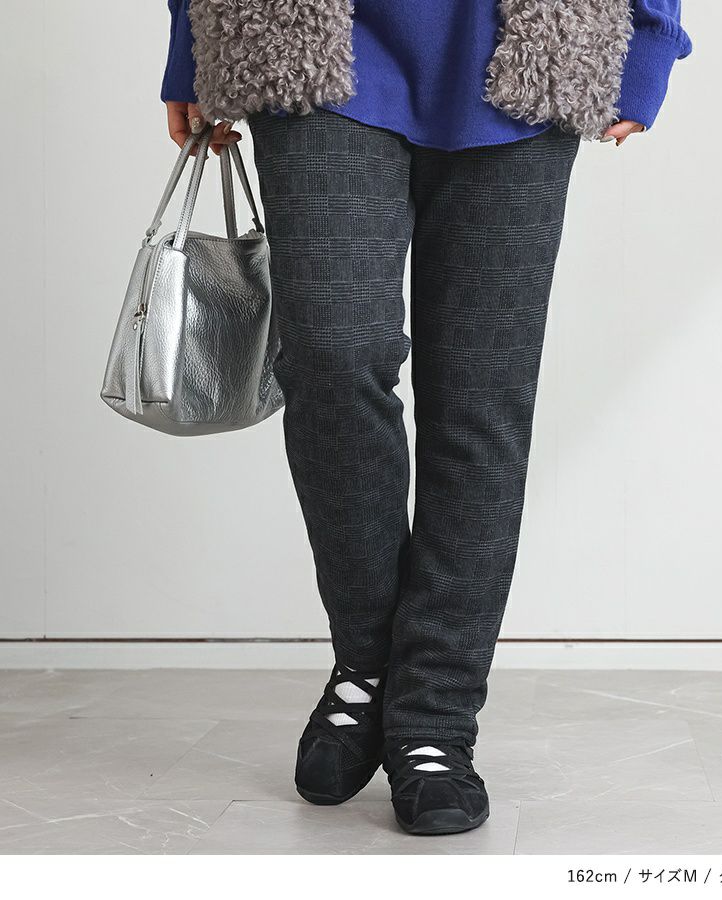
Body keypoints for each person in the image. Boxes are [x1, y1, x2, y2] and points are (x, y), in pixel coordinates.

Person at [160, 0, 691, 836]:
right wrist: (191, 42)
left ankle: (435, 715)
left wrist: (651, 37)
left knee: (482, 397)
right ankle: (368, 665)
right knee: (333, 356)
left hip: (529, 45)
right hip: (306, 35)